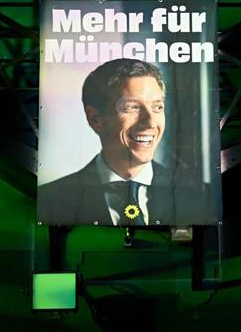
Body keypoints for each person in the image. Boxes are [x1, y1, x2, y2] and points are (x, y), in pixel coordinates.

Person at [38, 58, 175, 226]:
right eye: (132, 107)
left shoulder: (198, 194)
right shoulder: (50, 200)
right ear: (95, 119)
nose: (150, 122)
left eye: (157, 107)